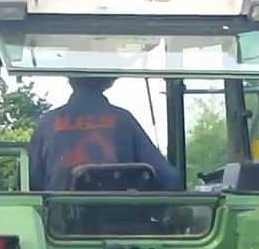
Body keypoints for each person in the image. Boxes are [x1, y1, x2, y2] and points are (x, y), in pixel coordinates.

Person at [28, 76, 184, 192]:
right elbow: (169, 178)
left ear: (70, 78)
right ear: (109, 81)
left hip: (58, 227)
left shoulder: (47, 122)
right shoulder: (124, 120)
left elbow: (28, 182)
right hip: (121, 224)